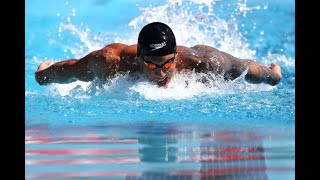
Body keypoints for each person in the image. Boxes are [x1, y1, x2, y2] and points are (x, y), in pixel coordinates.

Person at [35, 22, 282, 87]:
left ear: (175, 56)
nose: (161, 74)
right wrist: (43, 74)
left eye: (167, 64)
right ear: (139, 59)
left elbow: (246, 68)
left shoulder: (202, 63)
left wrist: (273, 75)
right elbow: (72, 70)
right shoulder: (111, 61)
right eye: (151, 67)